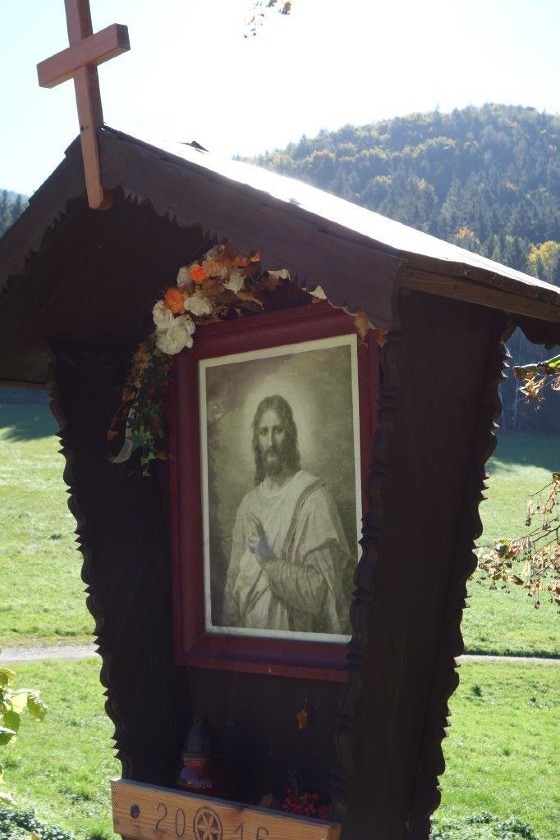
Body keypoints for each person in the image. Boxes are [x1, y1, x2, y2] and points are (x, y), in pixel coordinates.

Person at [222, 395, 353, 634]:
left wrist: (269, 561)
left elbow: (317, 593)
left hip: (294, 639)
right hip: (248, 637)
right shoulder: (248, 506)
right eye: (264, 432)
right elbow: (233, 583)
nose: (271, 441)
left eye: (278, 430)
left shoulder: (314, 500)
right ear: (257, 441)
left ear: (290, 435)